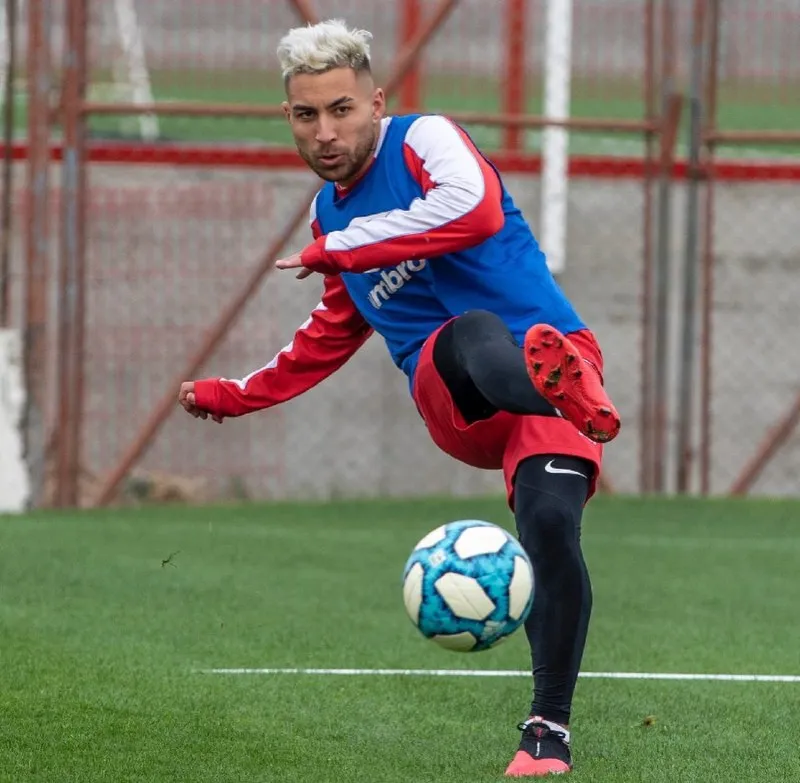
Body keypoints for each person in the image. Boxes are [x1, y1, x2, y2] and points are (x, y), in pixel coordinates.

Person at [177, 19, 621, 778]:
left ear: (376, 102)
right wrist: (233, 394)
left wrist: (341, 249)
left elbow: (473, 210)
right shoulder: (329, 219)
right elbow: (325, 336)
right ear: (288, 118)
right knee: (470, 332)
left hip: (557, 376)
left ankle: (547, 733)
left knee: (550, 526)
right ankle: (561, 389)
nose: (326, 130)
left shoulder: (427, 140)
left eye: (342, 109)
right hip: (458, 397)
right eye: (307, 114)